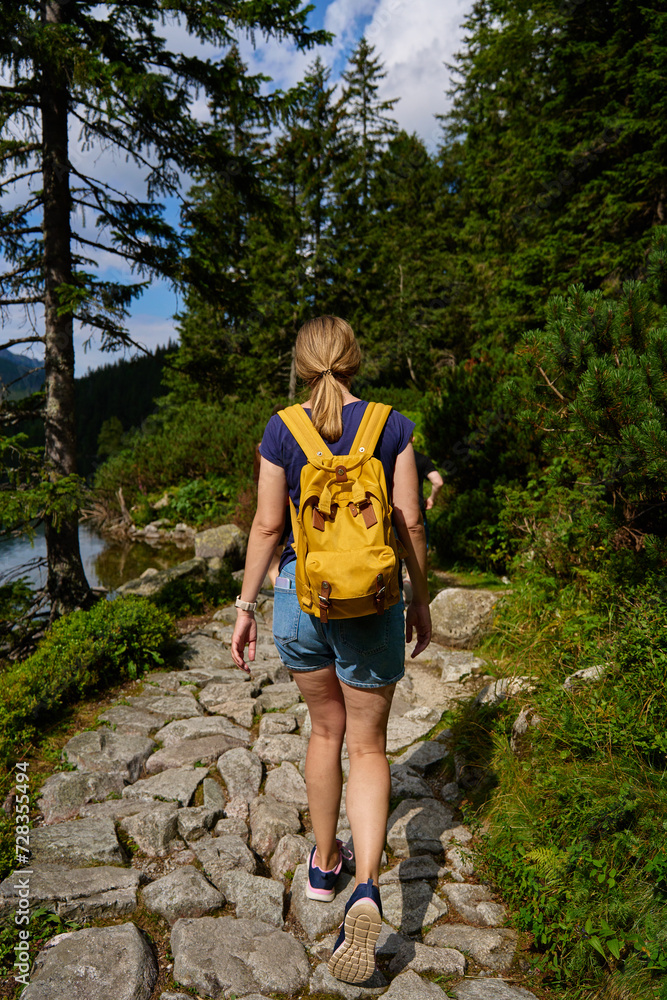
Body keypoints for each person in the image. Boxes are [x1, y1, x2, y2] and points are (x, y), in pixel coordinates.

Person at [231, 315, 431, 984]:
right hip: (372, 602)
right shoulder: (389, 425)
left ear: (300, 362)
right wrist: (421, 598)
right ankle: (369, 886)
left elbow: (265, 525)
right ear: (354, 358)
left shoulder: (281, 427)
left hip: (299, 597)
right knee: (368, 747)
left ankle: (323, 865)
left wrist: (243, 607)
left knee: (324, 732)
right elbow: (407, 522)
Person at [412, 436, 444, 548]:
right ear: (413, 439)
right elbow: (438, 482)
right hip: (417, 513)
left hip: (393, 515)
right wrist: (431, 499)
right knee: (420, 555)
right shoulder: (422, 459)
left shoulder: (388, 459)